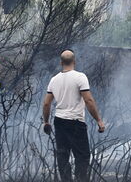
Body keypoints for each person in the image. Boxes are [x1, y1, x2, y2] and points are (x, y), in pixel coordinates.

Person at [42, 49, 105, 182]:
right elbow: (88, 100)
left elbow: (46, 104)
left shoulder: (54, 80)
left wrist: (46, 122)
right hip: (76, 123)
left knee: (63, 156)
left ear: (61, 62)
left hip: (59, 122)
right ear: (74, 62)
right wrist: (98, 120)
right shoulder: (80, 77)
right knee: (82, 156)